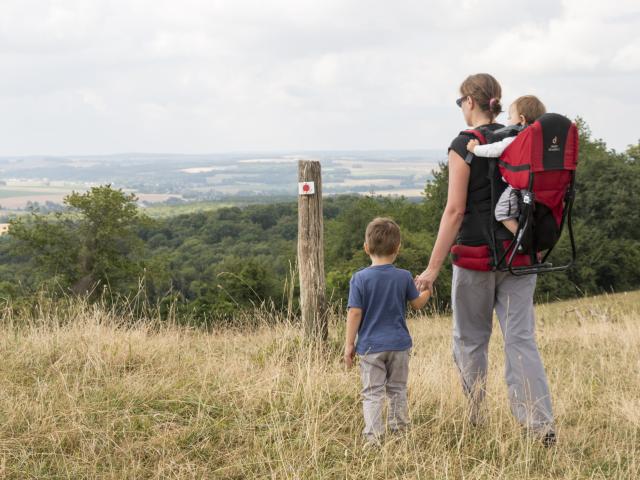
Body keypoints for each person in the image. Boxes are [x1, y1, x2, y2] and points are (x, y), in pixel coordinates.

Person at [415, 74, 556, 446]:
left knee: (471, 340)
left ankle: (475, 416)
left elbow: (454, 211)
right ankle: (539, 426)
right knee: (521, 340)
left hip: (475, 257)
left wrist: (432, 269)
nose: (460, 107)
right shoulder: (522, 137)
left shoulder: (465, 145)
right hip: (521, 257)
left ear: (470, 101)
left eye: (459, 101)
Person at [344, 217, 431, 445]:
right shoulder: (403, 276)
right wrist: (427, 290)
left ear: (366, 248)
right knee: (397, 389)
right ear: (397, 248)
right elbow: (417, 304)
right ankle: (399, 432)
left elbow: (354, 313)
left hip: (371, 346)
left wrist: (349, 345)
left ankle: (374, 438)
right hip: (399, 345)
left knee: (372, 392)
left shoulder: (359, 278)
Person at [466, 95, 547, 234]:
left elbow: (494, 150)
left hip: (518, 187)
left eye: (510, 117)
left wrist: (474, 149)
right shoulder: (541, 140)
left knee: (502, 213)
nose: (507, 121)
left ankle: (522, 238)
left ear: (521, 120)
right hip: (539, 187)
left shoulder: (516, 139)